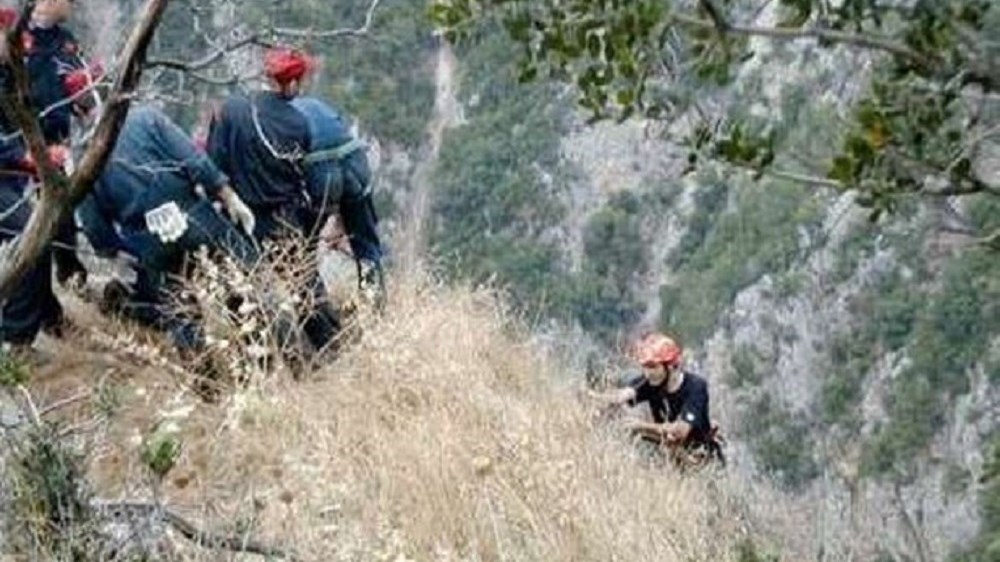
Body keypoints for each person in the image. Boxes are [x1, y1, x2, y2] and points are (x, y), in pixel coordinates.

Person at [75, 104, 258, 353]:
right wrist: (228, 195)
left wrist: (116, 253)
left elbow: (93, 223)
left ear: (76, 110)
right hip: (192, 216)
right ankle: (258, 361)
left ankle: (206, 385)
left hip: (147, 239)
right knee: (239, 283)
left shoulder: (83, 154)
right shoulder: (146, 118)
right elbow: (194, 160)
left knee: (181, 314)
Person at [206, 46, 342, 354]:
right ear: (292, 83)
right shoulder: (298, 124)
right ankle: (331, 350)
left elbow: (213, 164)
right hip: (282, 219)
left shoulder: (229, 110)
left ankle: (259, 358)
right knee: (304, 286)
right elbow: (299, 175)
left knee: (239, 292)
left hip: (238, 218)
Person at [0, 1, 95, 350]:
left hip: (37, 156)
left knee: (50, 230)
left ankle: (47, 316)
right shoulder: (17, 44)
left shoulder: (63, 43)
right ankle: (16, 338)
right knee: (33, 237)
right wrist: (25, 154)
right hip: (18, 160)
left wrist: (83, 90)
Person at [289, 95, 384, 303]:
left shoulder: (282, 116)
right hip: (354, 161)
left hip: (319, 173)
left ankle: (321, 317)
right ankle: (375, 311)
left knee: (303, 252)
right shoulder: (319, 105)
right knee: (366, 247)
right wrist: (343, 220)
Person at [589, 332, 725, 468]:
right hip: (673, 460)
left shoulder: (696, 387)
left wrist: (640, 426)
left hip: (703, 463)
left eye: (653, 367)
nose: (648, 373)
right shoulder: (651, 381)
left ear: (671, 367)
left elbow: (680, 432)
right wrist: (592, 397)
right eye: (645, 367)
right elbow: (622, 395)